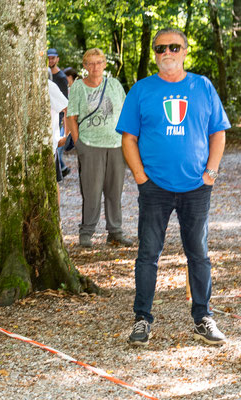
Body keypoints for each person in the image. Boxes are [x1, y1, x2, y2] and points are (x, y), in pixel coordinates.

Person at [116, 28, 230, 346]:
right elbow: (128, 138)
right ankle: (142, 319)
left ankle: (203, 317)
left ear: (184, 51)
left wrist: (211, 172)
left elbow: (218, 132)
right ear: (155, 53)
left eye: (174, 47)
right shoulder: (141, 90)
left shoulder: (202, 87)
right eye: (160, 48)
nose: (167, 52)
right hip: (155, 187)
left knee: (199, 254)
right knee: (148, 254)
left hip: (196, 186)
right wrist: (140, 176)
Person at [66, 48, 132, 248]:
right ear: (85, 66)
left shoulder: (114, 85)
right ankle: (86, 232)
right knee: (91, 191)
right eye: (90, 63)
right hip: (90, 145)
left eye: (99, 62)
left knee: (114, 191)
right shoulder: (78, 87)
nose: (95, 67)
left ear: (105, 64)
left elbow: (126, 111)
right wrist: (79, 144)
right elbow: (71, 117)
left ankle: (115, 232)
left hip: (115, 145)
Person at [48, 48, 70, 178]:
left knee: (57, 148)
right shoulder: (47, 74)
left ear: (57, 59)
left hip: (59, 117)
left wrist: (65, 131)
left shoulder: (61, 78)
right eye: (49, 58)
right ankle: (62, 168)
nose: (51, 60)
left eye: (53, 58)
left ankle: (62, 168)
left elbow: (65, 104)